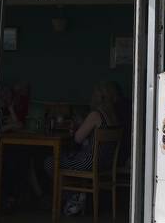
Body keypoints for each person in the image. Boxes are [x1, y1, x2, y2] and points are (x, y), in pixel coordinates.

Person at [43, 82, 119, 215]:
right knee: (68, 158)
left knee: (50, 162)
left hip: (89, 161)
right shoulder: (113, 116)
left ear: (99, 97)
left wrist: (79, 125)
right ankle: (77, 192)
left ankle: (73, 195)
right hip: (105, 163)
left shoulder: (96, 114)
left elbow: (77, 138)